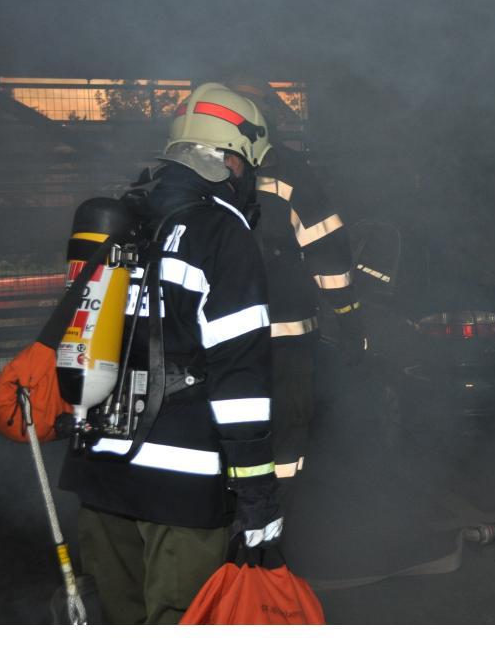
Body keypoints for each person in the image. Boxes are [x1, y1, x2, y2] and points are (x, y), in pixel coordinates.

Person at [58, 83, 282, 624]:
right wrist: (257, 494)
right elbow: (240, 379)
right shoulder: (221, 233)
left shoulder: (119, 216)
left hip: (98, 474)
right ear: (233, 161)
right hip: (180, 487)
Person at [223, 76, 366, 483]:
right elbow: (329, 256)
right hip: (285, 342)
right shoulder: (287, 169)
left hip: (217, 344)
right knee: (284, 441)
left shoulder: (193, 172)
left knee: (228, 432)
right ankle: (274, 515)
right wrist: (351, 320)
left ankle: (230, 510)